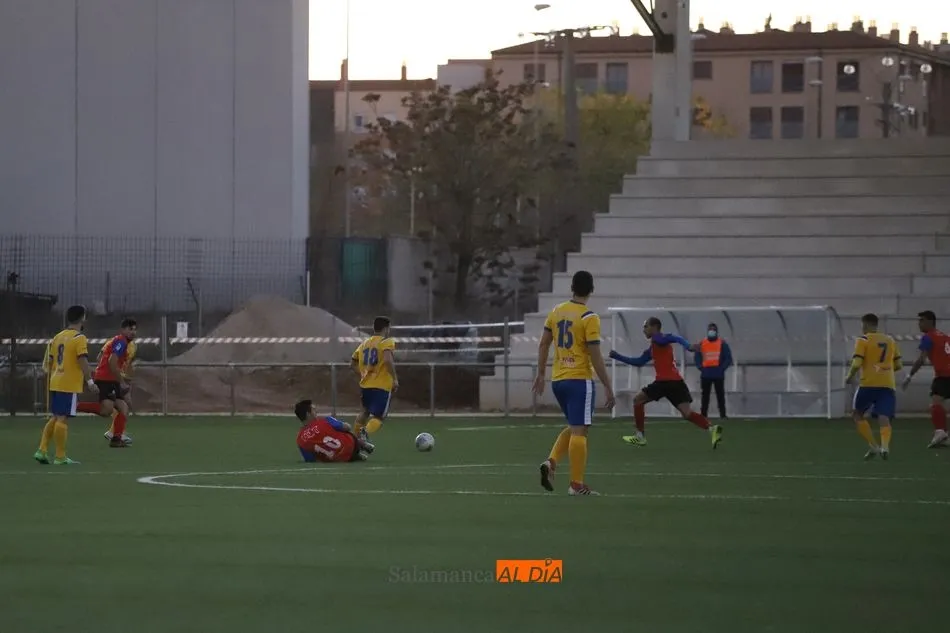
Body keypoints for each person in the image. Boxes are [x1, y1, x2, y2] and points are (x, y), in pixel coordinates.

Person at [533, 270, 615, 496]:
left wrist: (541, 373)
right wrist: (607, 385)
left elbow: (543, 344)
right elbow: (595, 355)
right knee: (581, 432)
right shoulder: (590, 317)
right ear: (591, 290)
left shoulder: (557, 312)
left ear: (571, 287)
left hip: (558, 380)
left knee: (574, 426)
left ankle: (551, 462)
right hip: (579, 379)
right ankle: (576, 485)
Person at [609, 317, 723, 449]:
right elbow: (638, 362)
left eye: (646, 326)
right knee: (687, 414)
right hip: (676, 382)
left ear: (654, 327)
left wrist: (688, 346)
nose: (644, 330)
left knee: (638, 400)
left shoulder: (659, 338)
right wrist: (617, 356)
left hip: (664, 382)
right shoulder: (653, 347)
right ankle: (711, 428)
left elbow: (674, 337)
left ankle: (640, 436)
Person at [34, 305, 99, 465]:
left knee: (56, 417)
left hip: (55, 381)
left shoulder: (57, 337)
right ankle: (60, 456)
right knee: (62, 419)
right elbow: (82, 360)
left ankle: (42, 450)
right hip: (68, 383)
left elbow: (49, 361)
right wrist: (90, 381)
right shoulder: (79, 338)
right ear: (82, 318)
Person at [846, 313, 901, 460]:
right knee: (884, 416)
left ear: (866, 325)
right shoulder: (890, 340)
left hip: (868, 384)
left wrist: (849, 376)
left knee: (857, 414)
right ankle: (885, 446)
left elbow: (857, 363)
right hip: (887, 384)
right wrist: (884, 371)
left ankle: (873, 446)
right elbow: (898, 365)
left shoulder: (863, 340)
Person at [76, 318, 137, 447]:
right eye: (130, 329)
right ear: (123, 330)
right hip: (106, 379)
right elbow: (112, 362)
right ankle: (76, 406)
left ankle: (116, 439)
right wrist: (122, 381)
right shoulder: (121, 341)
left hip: (112, 379)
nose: (133, 332)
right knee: (106, 411)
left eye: (135, 329)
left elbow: (102, 357)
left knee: (123, 408)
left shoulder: (121, 341)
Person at [901, 310, 950, 448]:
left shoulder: (929, 337)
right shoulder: (945, 336)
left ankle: (940, 432)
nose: (919, 323)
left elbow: (922, 359)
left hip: (944, 375)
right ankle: (943, 434)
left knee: (936, 403)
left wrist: (909, 376)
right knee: (937, 403)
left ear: (930, 322)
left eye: (922, 320)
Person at [350, 316, 398, 441]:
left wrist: (362, 373)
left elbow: (352, 362)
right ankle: (363, 434)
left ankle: (354, 439)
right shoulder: (387, 342)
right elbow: (387, 360)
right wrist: (395, 379)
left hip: (366, 385)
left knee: (364, 412)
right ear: (386, 328)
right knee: (379, 417)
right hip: (381, 385)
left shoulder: (365, 343)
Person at [294, 400, 375, 463]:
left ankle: (357, 455)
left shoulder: (300, 440)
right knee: (342, 430)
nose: (316, 412)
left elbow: (310, 459)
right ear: (308, 414)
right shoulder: (325, 420)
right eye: (314, 410)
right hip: (352, 445)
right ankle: (362, 443)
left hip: (337, 459)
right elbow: (347, 427)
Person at [694, 323, 732, 420]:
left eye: (713, 330)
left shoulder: (722, 343)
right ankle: (703, 415)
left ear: (716, 331)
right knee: (705, 396)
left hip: (718, 374)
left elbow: (728, 358)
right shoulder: (702, 343)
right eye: (710, 329)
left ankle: (723, 415)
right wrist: (701, 367)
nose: (712, 331)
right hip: (706, 373)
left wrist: (722, 368)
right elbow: (697, 357)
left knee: (720, 395)